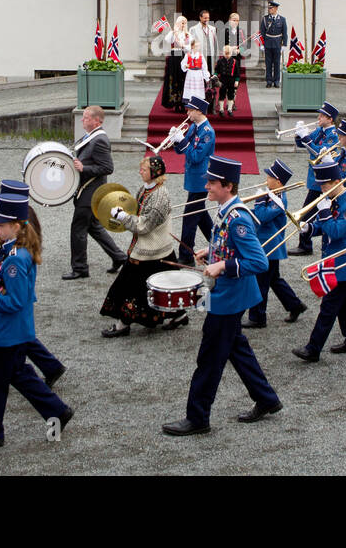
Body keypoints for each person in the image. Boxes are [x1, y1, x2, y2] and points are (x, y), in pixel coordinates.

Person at [162, 156, 282, 435]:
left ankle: (198, 418)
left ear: (227, 186)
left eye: (211, 183)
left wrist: (223, 265)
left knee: (209, 359)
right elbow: (227, 244)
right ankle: (267, 398)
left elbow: (259, 262)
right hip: (227, 296)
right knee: (236, 348)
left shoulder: (238, 217)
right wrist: (211, 252)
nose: (206, 186)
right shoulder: (226, 210)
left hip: (228, 299)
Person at [0, 196, 74, 449]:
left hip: (5, 333)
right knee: (19, 374)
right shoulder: (13, 249)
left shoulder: (15, 259)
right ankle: (56, 410)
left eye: (1, 225)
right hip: (14, 332)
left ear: (16, 226)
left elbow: (15, 301)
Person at [292, 160, 346, 362]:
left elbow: (335, 230)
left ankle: (313, 348)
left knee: (329, 306)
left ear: (337, 182)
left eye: (325, 185)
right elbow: (325, 228)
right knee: (344, 302)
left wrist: (323, 212)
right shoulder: (333, 200)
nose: (322, 190)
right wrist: (310, 228)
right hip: (333, 258)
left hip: (342, 261)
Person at [101, 155, 180, 336]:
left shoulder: (160, 196)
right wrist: (122, 212)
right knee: (166, 286)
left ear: (154, 173)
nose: (140, 172)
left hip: (151, 249)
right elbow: (137, 211)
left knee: (132, 287)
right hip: (156, 247)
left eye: (143, 170)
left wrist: (123, 217)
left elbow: (144, 226)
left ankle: (123, 324)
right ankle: (179, 315)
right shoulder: (145, 189)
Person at [65, 106, 127, 279]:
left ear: (96, 120)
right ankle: (119, 257)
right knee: (94, 227)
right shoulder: (91, 137)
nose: (82, 120)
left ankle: (80, 268)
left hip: (91, 192)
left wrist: (84, 168)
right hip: (90, 190)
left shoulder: (99, 140)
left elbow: (108, 168)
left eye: (85, 118)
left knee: (78, 228)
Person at [244, 159, 307, 328]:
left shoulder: (279, 199)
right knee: (273, 279)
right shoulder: (272, 194)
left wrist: (256, 204)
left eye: (269, 177)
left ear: (278, 181)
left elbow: (262, 217)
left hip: (270, 245)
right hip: (267, 244)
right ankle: (295, 305)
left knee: (261, 281)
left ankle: (258, 317)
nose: (266, 179)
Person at [292, 101, 340, 255]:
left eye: (322, 115)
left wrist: (306, 137)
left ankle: (305, 245)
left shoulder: (333, 135)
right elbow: (303, 145)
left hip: (324, 181)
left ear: (330, 119)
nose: (319, 117)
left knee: (308, 214)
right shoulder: (320, 130)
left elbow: (319, 153)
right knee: (311, 214)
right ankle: (306, 243)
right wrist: (299, 134)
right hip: (315, 179)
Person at [172, 96, 216, 264]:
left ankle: (185, 255)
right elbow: (182, 150)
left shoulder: (207, 132)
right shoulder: (193, 128)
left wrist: (182, 142)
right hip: (193, 176)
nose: (187, 112)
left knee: (189, 217)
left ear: (199, 111)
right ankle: (218, 243)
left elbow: (197, 156)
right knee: (201, 215)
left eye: (190, 110)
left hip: (201, 178)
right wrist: (176, 140)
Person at [160, 15, 190, 112]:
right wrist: (173, 32)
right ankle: (175, 102)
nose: (183, 24)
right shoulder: (173, 33)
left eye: (185, 23)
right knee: (174, 79)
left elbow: (189, 47)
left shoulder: (187, 34)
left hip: (183, 57)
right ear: (178, 23)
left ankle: (182, 103)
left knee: (182, 80)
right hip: (174, 58)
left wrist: (184, 46)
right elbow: (167, 40)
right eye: (182, 22)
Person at [259, 0, 287, 88]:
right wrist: (262, 44)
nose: (269, 9)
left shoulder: (282, 19)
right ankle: (269, 80)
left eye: (271, 8)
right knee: (268, 63)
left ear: (276, 8)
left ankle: (276, 81)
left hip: (277, 43)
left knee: (276, 63)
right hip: (267, 43)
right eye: (269, 8)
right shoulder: (265, 19)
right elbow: (262, 32)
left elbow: (284, 33)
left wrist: (284, 44)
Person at [216, 45, 242, 117]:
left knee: (231, 95)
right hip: (223, 80)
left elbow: (237, 73)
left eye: (229, 54)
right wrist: (215, 75)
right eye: (226, 54)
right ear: (223, 53)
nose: (227, 55)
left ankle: (229, 109)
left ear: (231, 53)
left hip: (231, 80)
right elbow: (217, 70)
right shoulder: (220, 61)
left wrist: (237, 81)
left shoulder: (234, 61)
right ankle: (221, 109)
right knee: (222, 94)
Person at [190, 10, 219, 76]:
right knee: (200, 74)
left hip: (210, 56)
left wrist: (216, 59)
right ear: (200, 17)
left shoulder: (212, 29)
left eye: (208, 18)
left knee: (210, 73)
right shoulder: (193, 29)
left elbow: (215, 45)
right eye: (205, 18)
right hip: (199, 56)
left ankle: (210, 85)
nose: (207, 19)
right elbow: (191, 45)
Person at [181, 37, 207, 108]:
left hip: (198, 74)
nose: (197, 48)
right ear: (192, 46)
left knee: (198, 90)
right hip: (190, 74)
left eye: (198, 46)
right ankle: (190, 104)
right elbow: (183, 64)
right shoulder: (188, 55)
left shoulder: (201, 56)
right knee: (191, 90)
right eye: (196, 46)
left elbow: (204, 67)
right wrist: (185, 66)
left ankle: (197, 104)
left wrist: (206, 77)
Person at [223, 12, 247, 76]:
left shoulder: (241, 31)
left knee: (236, 74)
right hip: (227, 57)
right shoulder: (224, 31)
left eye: (237, 20)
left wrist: (239, 50)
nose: (236, 22)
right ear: (229, 20)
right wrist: (229, 49)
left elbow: (245, 46)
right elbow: (221, 46)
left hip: (237, 57)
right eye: (234, 20)